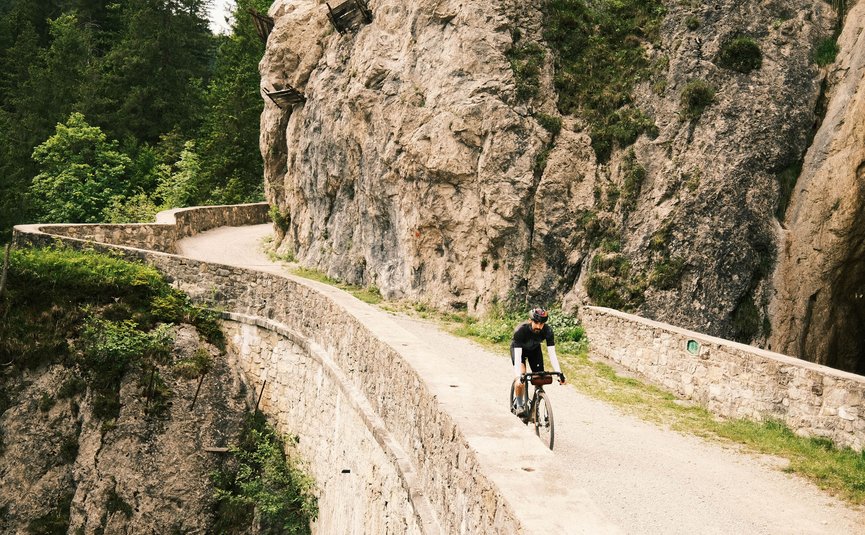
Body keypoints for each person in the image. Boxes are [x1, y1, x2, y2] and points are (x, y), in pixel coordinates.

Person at [511, 307, 566, 416]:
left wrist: (559, 373)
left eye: (542, 324)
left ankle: (535, 407)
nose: (539, 326)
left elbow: (552, 354)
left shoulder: (548, 331)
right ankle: (520, 404)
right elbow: (518, 358)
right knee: (520, 380)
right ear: (530, 320)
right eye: (536, 323)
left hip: (534, 351)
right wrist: (519, 376)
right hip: (519, 351)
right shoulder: (520, 331)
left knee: (540, 379)